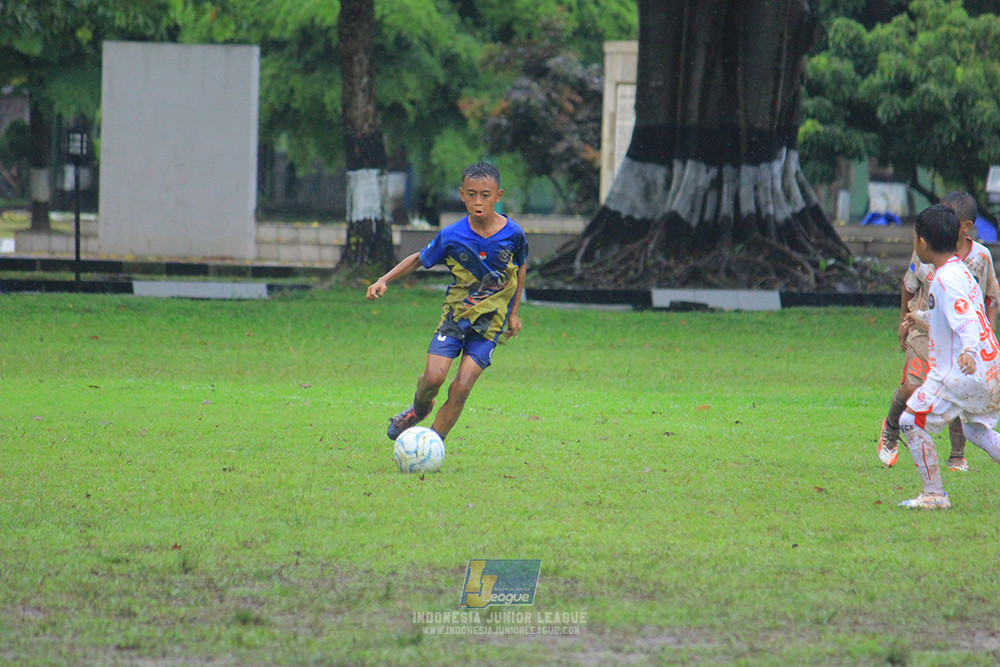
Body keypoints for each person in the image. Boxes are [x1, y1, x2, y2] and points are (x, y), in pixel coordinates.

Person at [366, 162, 528, 441]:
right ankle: (418, 409)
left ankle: (431, 443)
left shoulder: (513, 233)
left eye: (485, 195)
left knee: (462, 387)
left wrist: (514, 313)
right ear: (462, 194)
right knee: (433, 379)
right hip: (456, 317)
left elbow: (521, 266)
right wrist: (384, 279)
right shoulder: (452, 235)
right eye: (472, 194)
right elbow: (418, 259)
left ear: (498, 196)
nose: (478, 202)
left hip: (490, 324)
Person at [876, 192, 1000, 470]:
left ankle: (935, 491)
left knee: (913, 420)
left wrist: (969, 348)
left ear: (924, 242)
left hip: (961, 360)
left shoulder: (947, 277)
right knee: (975, 431)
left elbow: (966, 317)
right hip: (981, 360)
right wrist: (915, 319)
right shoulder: (956, 270)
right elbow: (947, 314)